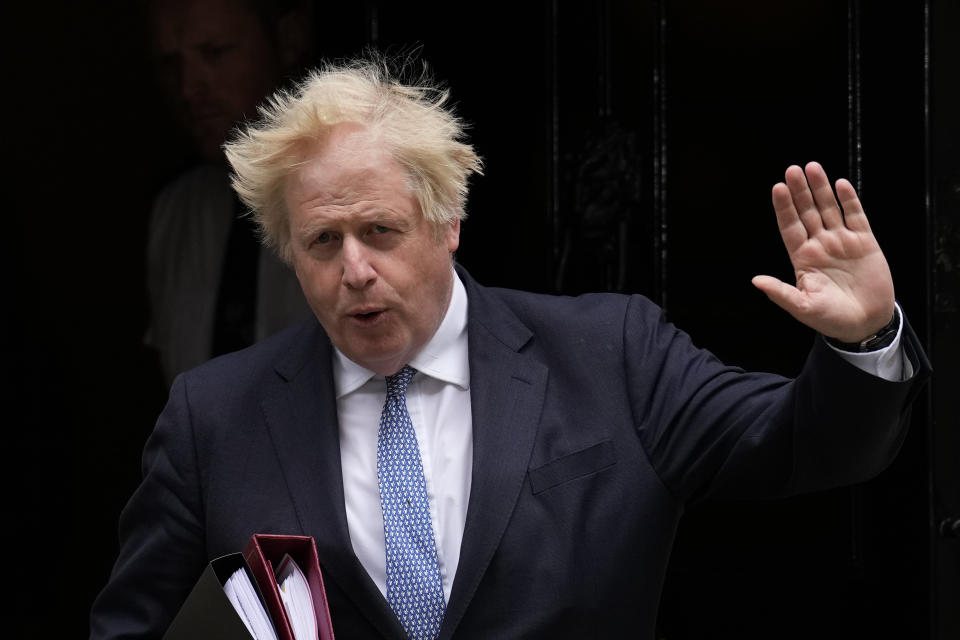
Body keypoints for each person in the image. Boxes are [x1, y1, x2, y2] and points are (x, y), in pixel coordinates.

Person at [90, 55, 930, 639]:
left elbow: (803, 446)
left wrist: (864, 341)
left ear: (449, 221)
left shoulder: (612, 355)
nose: (354, 270)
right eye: (321, 242)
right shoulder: (215, 417)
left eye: (381, 231)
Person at [143, 0, 314, 386]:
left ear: (287, 41)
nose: (188, 89)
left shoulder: (361, 198)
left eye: (214, 53)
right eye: (170, 64)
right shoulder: (175, 214)